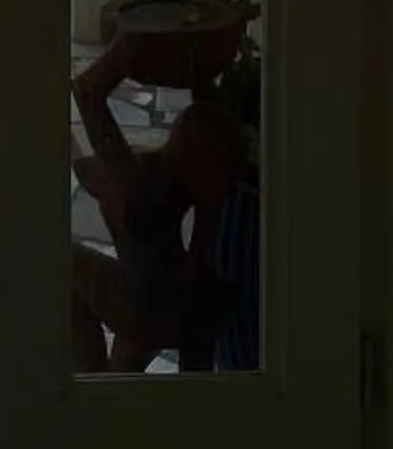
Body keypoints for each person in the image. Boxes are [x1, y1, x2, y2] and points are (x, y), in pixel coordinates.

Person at [69, 21, 255, 373]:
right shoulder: (199, 187)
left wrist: (122, 54)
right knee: (151, 349)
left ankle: (88, 378)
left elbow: (87, 92)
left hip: (149, 307)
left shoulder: (137, 183)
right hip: (187, 304)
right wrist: (198, 67)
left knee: (60, 265)